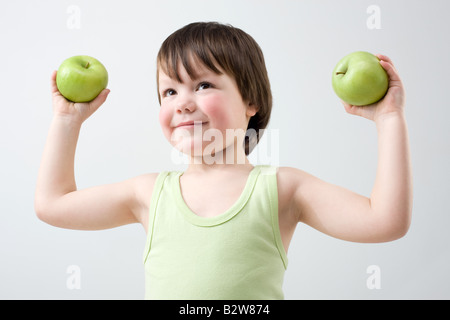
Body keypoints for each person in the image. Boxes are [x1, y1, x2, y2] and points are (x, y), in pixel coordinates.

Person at [35, 22, 413, 299]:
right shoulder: (149, 193)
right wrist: (67, 120)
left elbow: (385, 222)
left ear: (252, 102)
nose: (182, 101)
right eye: (169, 90)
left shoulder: (282, 189)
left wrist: (389, 119)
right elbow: (53, 205)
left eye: (203, 85)